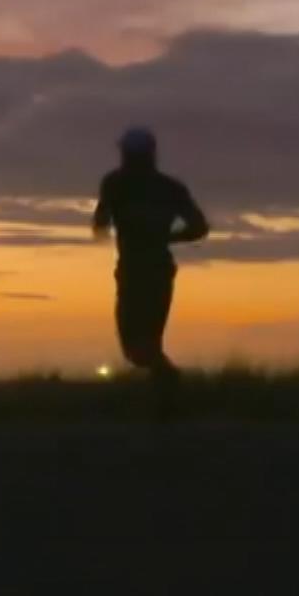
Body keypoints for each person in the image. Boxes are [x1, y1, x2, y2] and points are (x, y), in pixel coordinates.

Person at [92, 127, 208, 411]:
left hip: (136, 270)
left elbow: (101, 221)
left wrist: (109, 225)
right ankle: (167, 402)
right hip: (156, 268)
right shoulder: (170, 188)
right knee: (146, 342)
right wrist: (167, 237)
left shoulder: (115, 183)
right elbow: (198, 227)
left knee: (136, 344)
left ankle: (167, 390)